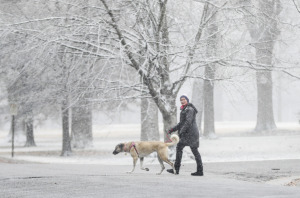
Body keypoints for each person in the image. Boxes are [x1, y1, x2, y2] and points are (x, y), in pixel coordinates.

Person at [167, 95, 203, 176]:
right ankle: (177, 169)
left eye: (184, 99)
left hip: (191, 134)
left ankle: (199, 171)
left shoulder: (189, 109)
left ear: (187, 100)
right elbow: (181, 123)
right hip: (188, 133)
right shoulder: (184, 109)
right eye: (181, 100)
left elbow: (188, 122)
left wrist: (181, 131)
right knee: (181, 148)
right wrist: (172, 130)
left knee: (193, 151)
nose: (182, 101)